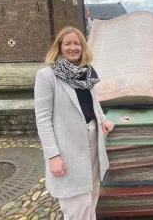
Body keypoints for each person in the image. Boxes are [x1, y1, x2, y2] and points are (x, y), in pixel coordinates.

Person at [34, 26, 114, 220]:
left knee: (92, 195)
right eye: (67, 43)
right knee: (75, 204)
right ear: (59, 47)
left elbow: (92, 101)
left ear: (83, 47)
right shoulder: (47, 76)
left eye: (77, 43)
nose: (73, 47)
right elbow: (43, 119)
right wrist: (53, 156)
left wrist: (103, 120)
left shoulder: (86, 73)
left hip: (93, 140)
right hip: (68, 148)